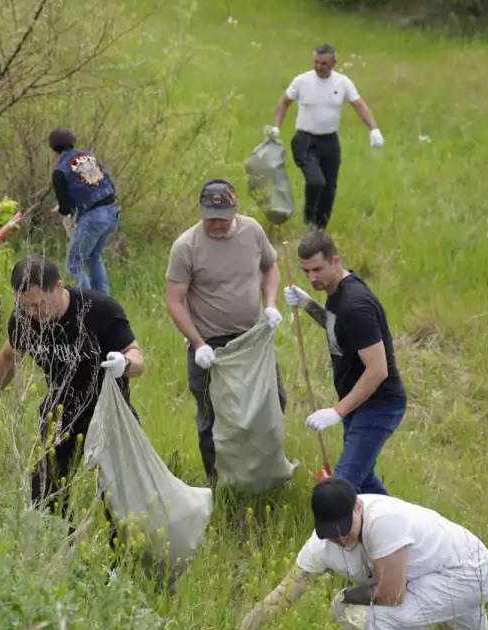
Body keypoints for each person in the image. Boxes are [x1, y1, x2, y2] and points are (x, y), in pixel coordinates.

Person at [0, 256, 145, 513]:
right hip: (62, 410)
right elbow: (9, 356)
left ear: (59, 287)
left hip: (108, 411)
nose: (34, 313)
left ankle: (121, 550)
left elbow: (138, 358)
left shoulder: (98, 310)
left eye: (39, 304)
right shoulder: (23, 319)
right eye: (25, 306)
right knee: (44, 492)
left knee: (119, 499)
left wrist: (124, 363)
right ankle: (60, 543)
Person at [240, 478, 488, 630]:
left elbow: (391, 595)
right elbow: (285, 594)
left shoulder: (384, 521)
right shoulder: (320, 545)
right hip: (429, 573)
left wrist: (346, 596)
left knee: (363, 615)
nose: (340, 539)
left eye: (344, 529)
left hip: (467, 571)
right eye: (330, 532)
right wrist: (244, 625)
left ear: (358, 507)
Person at [165, 179, 283, 486]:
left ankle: (260, 474)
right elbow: (175, 302)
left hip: (252, 338)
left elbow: (270, 266)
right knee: (212, 417)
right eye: (209, 217)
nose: (215, 223)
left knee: (273, 403)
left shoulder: (252, 231)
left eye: (222, 216)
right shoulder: (186, 247)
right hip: (210, 346)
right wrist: (198, 344)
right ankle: (219, 483)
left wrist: (270, 304)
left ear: (236, 210)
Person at [283, 230, 406, 495]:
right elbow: (336, 326)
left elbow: (378, 370)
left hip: (378, 406)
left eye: (317, 269)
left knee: (343, 487)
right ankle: (397, 531)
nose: (312, 277)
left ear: (335, 260)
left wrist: (337, 411)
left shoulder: (356, 305)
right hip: (359, 404)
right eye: (306, 272)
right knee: (365, 483)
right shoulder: (336, 290)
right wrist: (308, 305)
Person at [271, 43, 384, 229]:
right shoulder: (302, 81)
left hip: (330, 142)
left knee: (329, 188)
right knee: (316, 181)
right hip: (305, 140)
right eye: (315, 62)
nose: (318, 67)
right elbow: (284, 104)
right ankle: (308, 219)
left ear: (333, 63)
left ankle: (320, 229)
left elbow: (360, 105)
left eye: (323, 63)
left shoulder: (343, 83)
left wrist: (374, 129)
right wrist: (276, 128)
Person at [48, 127, 121, 295]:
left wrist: (64, 209)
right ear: (72, 141)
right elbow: (98, 182)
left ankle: (86, 304)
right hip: (112, 211)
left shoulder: (60, 171)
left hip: (94, 218)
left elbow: (66, 208)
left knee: (73, 264)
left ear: (53, 149)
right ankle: (104, 301)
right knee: (93, 256)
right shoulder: (89, 157)